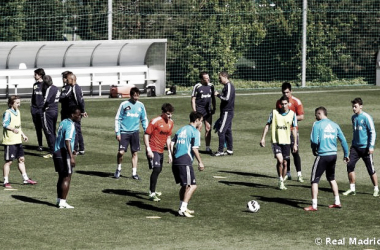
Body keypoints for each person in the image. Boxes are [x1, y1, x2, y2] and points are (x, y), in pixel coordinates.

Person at [304, 107, 349, 211]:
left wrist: (314, 149)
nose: (315, 117)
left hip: (323, 155)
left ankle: (314, 205)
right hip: (333, 155)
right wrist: (346, 154)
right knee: (331, 178)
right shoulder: (335, 125)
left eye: (316, 115)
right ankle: (337, 202)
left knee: (314, 180)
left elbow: (314, 141)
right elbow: (343, 140)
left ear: (320, 113)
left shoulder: (317, 124)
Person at [170, 111, 205, 217]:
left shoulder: (181, 129)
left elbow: (171, 143)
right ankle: (183, 209)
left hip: (176, 160)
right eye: (201, 121)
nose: (201, 123)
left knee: (184, 185)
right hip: (185, 161)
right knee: (192, 186)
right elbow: (194, 148)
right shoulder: (195, 132)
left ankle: (182, 206)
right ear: (197, 120)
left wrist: (172, 156)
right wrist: (200, 162)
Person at [342, 98, 379, 197]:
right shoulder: (353, 117)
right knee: (349, 165)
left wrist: (371, 146)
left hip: (366, 148)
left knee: (370, 168)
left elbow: (373, 132)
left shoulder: (367, 117)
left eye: (355, 106)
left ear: (361, 106)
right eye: (353, 107)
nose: (354, 108)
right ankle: (352, 189)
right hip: (355, 148)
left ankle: (376, 188)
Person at [260, 96, 298, 190]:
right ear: (280, 104)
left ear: (288, 104)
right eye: (282, 104)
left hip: (286, 141)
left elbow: (294, 130)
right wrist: (263, 138)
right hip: (276, 141)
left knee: (285, 163)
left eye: (286, 104)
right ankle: (280, 179)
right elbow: (267, 125)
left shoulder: (292, 114)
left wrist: (295, 143)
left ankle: (281, 181)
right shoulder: (274, 113)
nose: (284, 106)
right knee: (280, 160)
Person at [2, 95, 37, 188]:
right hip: (10, 141)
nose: (19, 104)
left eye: (19, 102)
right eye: (17, 103)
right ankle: (6, 181)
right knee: (9, 162)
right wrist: (13, 129)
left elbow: (18, 126)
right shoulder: (7, 113)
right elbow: (5, 124)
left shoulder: (18, 112)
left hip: (17, 140)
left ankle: (25, 179)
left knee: (21, 159)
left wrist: (23, 135)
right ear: (11, 103)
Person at [114, 87, 148, 180]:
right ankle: (118, 169)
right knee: (121, 153)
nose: (136, 98)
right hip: (124, 132)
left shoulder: (141, 105)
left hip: (135, 132)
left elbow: (144, 119)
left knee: (134, 153)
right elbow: (118, 118)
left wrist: (147, 130)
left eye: (138, 96)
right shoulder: (124, 104)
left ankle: (134, 173)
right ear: (131, 95)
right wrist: (118, 132)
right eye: (134, 96)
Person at [144, 103, 174, 202]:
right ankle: (152, 193)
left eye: (171, 114)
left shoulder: (170, 123)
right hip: (153, 148)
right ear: (163, 112)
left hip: (161, 150)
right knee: (156, 169)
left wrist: (170, 152)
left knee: (159, 169)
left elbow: (168, 138)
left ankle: (153, 190)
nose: (170, 116)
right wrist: (148, 149)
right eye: (168, 114)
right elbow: (146, 134)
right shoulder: (155, 121)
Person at [276, 82, 305, 182]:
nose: (286, 94)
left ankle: (299, 174)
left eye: (287, 92)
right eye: (284, 92)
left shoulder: (296, 102)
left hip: (293, 130)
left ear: (291, 91)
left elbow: (301, 116)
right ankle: (287, 173)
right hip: (283, 132)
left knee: (295, 152)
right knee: (285, 154)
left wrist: (290, 118)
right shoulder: (279, 102)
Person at [53, 107, 82, 209]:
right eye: (78, 115)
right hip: (64, 153)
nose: (80, 117)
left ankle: (58, 200)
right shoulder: (70, 125)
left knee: (61, 177)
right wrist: (71, 157)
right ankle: (63, 202)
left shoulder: (63, 122)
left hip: (56, 152)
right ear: (72, 115)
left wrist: (73, 149)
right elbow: (67, 141)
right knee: (67, 177)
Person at [59, 72, 88, 154]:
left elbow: (80, 100)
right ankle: (81, 148)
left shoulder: (75, 88)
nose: (66, 81)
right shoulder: (75, 87)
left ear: (71, 79)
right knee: (77, 129)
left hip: (75, 112)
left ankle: (75, 148)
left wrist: (82, 111)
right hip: (75, 111)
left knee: (75, 129)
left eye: (67, 79)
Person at [191, 72, 216, 154]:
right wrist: (194, 110)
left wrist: (214, 107)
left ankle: (207, 148)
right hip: (199, 111)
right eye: (206, 78)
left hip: (208, 111)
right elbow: (193, 99)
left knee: (208, 128)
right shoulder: (197, 86)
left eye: (208, 77)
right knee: (199, 129)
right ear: (201, 79)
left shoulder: (211, 86)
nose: (208, 79)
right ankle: (195, 146)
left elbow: (213, 97)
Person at [213, 71, 235, 156]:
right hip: (226, 112)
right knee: (228, 130)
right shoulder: (226, 86)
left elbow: (226, 98)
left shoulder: (229, 86)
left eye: (220, 77)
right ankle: (229, 150)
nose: (219, 79)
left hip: (227, 112)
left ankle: (220, 151)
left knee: (221, 131)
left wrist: (218, 95)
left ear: (225, 77)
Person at [41, 75, 60, 159]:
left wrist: (43, 107)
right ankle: (56, 149)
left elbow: (47, 100)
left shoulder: (49, 89)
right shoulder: (56, 88)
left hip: (48, 111)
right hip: (55, 110)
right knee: (53, 130)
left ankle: (52, 151)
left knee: (49, 131)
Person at [31, 68, 45, 151]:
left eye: (35, 74)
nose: (34, 76)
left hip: (42, 109)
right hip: (35, 109)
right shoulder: (35, 85)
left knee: (45, 128)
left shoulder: (45, 85)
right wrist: (32, 107)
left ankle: (51, 145)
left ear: (40, 75)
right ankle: (40, 145)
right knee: (37, 128)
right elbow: (33, 96)